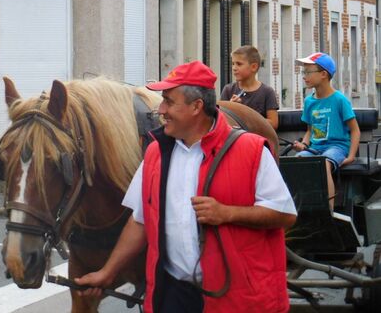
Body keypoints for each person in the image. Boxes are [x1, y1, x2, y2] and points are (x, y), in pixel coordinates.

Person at [75, 61, 297, 313]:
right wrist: (107, 273)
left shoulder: (250, 150)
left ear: (196, 106)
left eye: (169, 101)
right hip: (173, 293)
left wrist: (227, 213)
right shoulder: (155, 153)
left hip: (233, 295)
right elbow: (140, 220)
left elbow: (285, 214)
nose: (161, 109)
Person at [292, 52, 360, 210]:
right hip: (315, 148)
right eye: (304, 72)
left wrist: (350, 156)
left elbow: (355, 130)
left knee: (323, 164)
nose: (304, 76)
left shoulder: (339, 100)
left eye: (308, 72)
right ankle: (301, 209)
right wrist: (304, 144)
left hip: (337, 147)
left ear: (323, 74)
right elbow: (310, 130)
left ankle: (328, 212)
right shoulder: (309, 101)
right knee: (298, 160)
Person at [220, 45, 279, 129]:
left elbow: (273, 124)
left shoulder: (267, 92)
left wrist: (245, 114)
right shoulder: (228, 90)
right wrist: (231, 108)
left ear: (254, 67)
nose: (234, 68)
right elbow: (220, 121)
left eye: (239, 64)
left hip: (258, 140)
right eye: (233, 64)